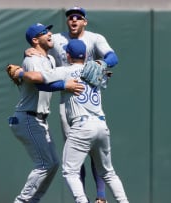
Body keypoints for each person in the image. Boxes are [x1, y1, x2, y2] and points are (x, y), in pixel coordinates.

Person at [9, 39, 129, 203]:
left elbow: (37, 78)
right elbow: (106, 71)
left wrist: (20, 73)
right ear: (86, 55)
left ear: (67, 55)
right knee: (108, 173)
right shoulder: (97, 71)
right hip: (101, 125)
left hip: (82, 126)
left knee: (70, 171)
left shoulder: (65, 71)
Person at [25, 6, 119, 203]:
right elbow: (42, 46)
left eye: (78, 17)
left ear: (85, 21)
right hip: (67, 100)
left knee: (95, 153)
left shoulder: (94, 38)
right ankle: (82, 197)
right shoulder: (58, 39)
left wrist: (101, 64)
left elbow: (113, 57)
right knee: (75, 153)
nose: (74, 20)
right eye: (70, 17)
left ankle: (100, 197)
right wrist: (31, 51)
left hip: (89, 100)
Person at [7, 23, 84, 203]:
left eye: (49, 31)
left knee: (53, 164)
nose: (50, 34)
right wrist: (65, 85)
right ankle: (22, 201)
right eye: (44, 32)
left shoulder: (49, 59)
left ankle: (32, 201)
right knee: (44, 164)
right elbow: (40, 83)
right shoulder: (32, 59)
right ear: (35, 40)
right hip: (28, 116)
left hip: (38, 119)